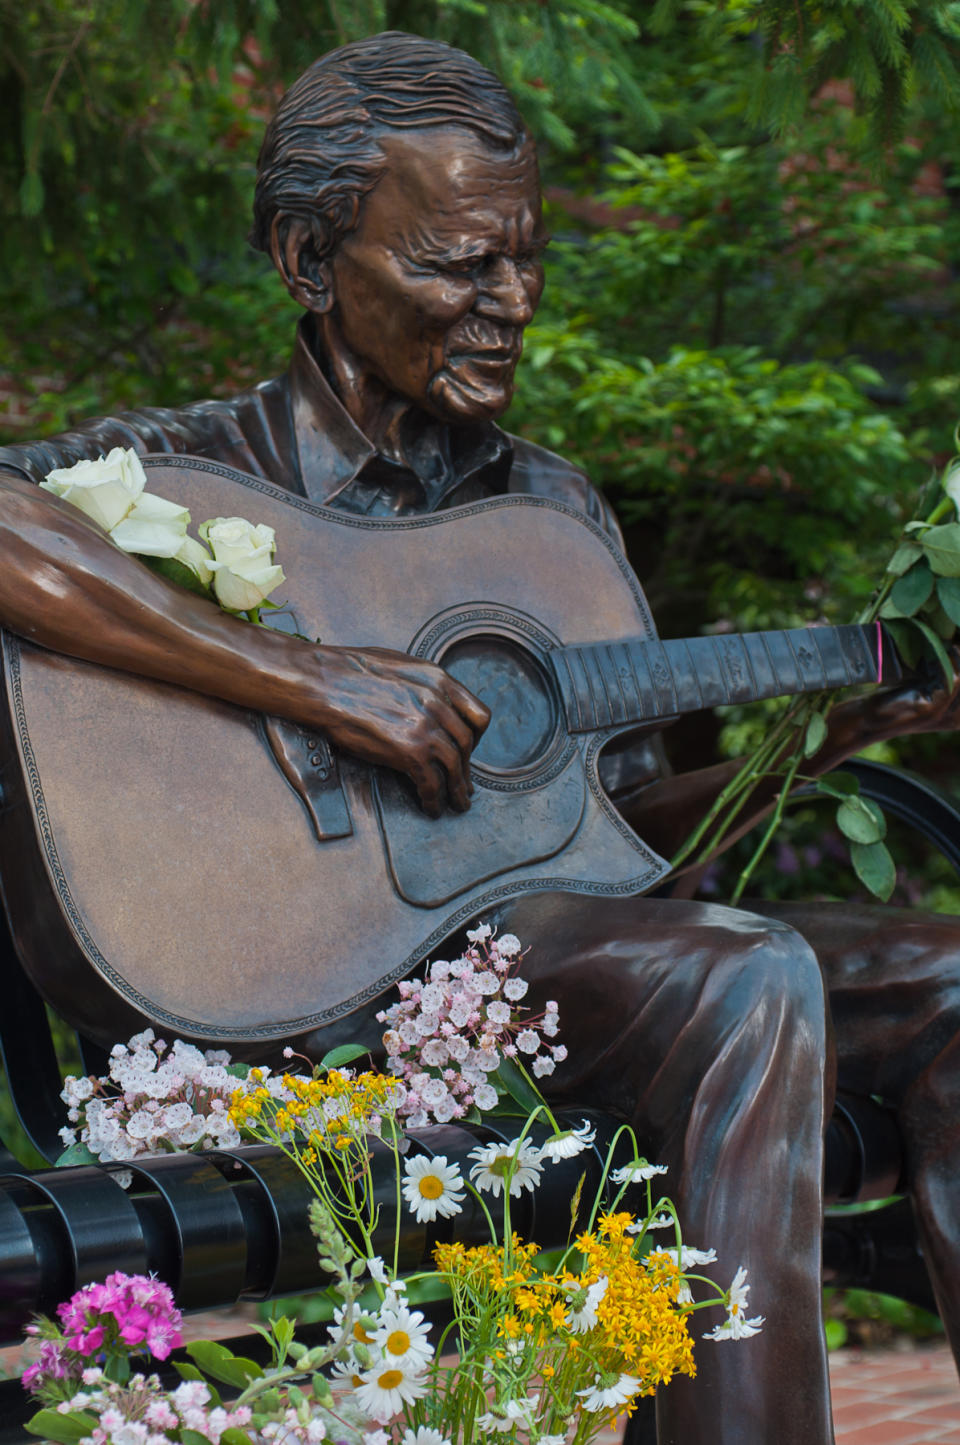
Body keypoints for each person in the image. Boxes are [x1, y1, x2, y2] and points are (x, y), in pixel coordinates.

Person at [1, 32, 960, 1445]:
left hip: (562, 967)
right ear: (308, 261)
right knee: (744, 977)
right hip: (306, 988)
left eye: (525, 258)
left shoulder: (553, 518)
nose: (510, 303)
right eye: (458, 264)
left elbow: (621, 845)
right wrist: (306, 675)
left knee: (946, 974)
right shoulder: (190, 471)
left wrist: (816, 746)